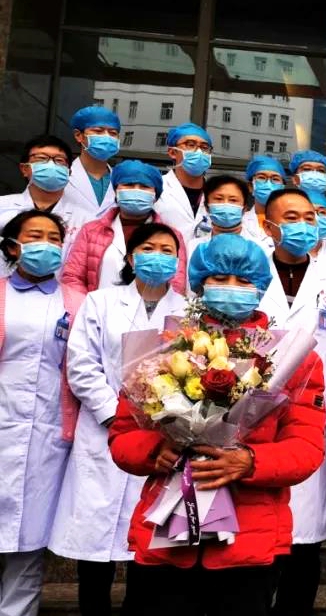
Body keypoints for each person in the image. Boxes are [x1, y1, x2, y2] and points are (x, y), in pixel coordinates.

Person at [110, 235, 326, 616]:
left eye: (243, 281)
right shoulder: (165, 349)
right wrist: (156, 451)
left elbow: (307, 447)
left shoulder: (291, 359)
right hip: (166, 536)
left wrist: (251, 461)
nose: (232, 288)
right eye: (220, 278)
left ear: (261, 286)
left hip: (249, 538)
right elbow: (124, 435)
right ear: (199, 283)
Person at [50, 223, 188, 616]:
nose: (158, 256)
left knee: (148, 539)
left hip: (164, 436)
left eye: (167, 250)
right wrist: (116, 416)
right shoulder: (101, 302)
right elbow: (82, 365)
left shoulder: (187, 310)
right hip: (105, 430)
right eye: (149, 247)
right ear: (130, 256)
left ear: (177, 260)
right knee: (94, 543)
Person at [251, 189, 326, 616]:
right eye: (292, 217)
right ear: (268, 225)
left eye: (310, 217)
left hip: (311, 415)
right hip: (249, 415)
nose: (304, 225)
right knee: (255, 529)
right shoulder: (249, 273)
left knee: (304, 537)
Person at [0, 210, 78, 616]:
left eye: (54, 238)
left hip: (47, 434)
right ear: (13, 246)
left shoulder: (75, 302)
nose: (46, 244)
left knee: (28, 538)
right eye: (35, 236)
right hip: (3, 423)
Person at [63, 160, 188, 298]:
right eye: (129, 185)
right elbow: (73, 277)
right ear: (116, 191)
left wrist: (156, 310)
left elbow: (176, 284)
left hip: (152, 309)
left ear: (155, 195)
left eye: (144, 186)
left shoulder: (173, 236)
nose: (136, 190)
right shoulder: (91, 231)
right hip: (97, 309)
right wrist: (87, 307)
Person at [0, 135, 94, 277]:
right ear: (24, 169)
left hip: (61, 289)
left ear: (69, 172)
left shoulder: (87, 220)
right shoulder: (2, 206)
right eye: (41, 158)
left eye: (59, 160)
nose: (51, 165)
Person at [155, 123, 214, 245]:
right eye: (190, 145)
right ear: (172, 152)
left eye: (204, 147)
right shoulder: (157, 187)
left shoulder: (216, 193)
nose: (199, 151)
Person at [67, 106, 120, 218]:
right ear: (78, 135)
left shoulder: (121, 180)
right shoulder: (63, 176)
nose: (107, 137)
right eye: (98, 131)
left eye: (113, 133)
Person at [243, 156, 287, 238]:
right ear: (250, 186)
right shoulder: (239, 222)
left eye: (275, 179)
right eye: (261, 178)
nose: (268, 184)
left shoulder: (293, 222)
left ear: (282, 188)